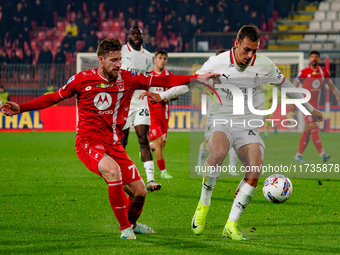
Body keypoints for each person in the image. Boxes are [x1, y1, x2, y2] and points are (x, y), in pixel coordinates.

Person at [1, 38, 216, 240]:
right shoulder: (82, 80)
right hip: (87, 141)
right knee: (113, 172)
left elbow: (164, 80)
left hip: (112, 142)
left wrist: (196, 78)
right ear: (101, 59)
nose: (118, 64)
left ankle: (132, 224)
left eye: (120, 59)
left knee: (140, 192)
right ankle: (124, 229)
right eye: (113, 60)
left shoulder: (127, 79)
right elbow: (53, 98)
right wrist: (21, 107)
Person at [142, 25, 323, 240]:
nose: (250, 55)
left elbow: (285, 86)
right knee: (218, 152)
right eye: (247, 49)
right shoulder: (217, 63)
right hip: (221, 120)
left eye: (254, 50)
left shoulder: (264, 65)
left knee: (255, 167)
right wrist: (162, 96)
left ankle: (231, 224)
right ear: (236, 44)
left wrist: (310, 109)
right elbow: (190, 84)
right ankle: (203, 204)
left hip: (248, 125)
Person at [120, 26, 166, 193]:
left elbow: (147, 78)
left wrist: (150, 93)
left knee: (143, 139)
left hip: (140, 102)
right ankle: (120, 176)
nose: (137, 36)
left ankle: (151, 180)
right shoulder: (122, 51)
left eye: (139, 33)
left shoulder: (148, 56)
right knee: (122, 142)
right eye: (133, 33)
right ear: (128, 36)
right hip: (124, 103)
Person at [197, 48, 239, 176]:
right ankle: (200, 164)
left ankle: (232, 168)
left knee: (233, 139)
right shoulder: (211, 74)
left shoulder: (232, 74)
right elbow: (204, 89)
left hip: (230, 111)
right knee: (207, 142)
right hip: (214, 112)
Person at [293, 50, 340, 162]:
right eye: (312, 57)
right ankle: (322, 154)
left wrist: (338, 96)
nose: (314, 59)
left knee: (307, 130)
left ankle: (298, 155)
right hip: (305, 105)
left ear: (319, 59)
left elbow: (332, 86)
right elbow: (294, 86)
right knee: (313, 127)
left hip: (315, 106)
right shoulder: (304, 72)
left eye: (316, 57)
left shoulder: (323, 72)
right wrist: (293, 102)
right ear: (309, 59)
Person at [148, 50, 175, 188]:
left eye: (165, 58)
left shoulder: (169, 76)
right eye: (160, 58)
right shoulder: (149, 75)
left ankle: (146, 148)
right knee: (159, 142)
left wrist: (169, 96)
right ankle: (163, 171)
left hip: (164, 114)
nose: (163, 60)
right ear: (155, 60)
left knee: (161, 145)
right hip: (151, 113)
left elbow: (176, 92)